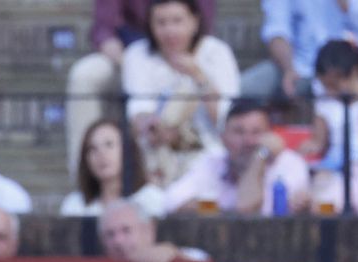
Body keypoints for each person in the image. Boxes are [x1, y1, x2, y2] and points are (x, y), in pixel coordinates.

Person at [65, 0, 218, 178]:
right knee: (85, 75)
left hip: (185, 52)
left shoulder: (212, 49)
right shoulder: (136, 57)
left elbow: (202, 22)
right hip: (128, 53)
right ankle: (84, 177)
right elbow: (103, 29)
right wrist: (132, 63)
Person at [122, 0, 239, 188]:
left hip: (208, 154)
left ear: (195, 21)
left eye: (177, 21)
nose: (170, 31)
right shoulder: (137, 54)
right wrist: (151, 127)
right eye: (161, 23)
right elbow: (137, 111)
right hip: (157, 155)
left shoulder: (217, 52)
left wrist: (198, 76)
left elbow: (226, 120)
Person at [163, 99, 310, 215]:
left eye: (257, 132)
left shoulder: (289, 164)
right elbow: (171, 201)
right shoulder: (211, 162)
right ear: (223, 138)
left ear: (270, 136)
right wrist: (216, 208)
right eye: (239, 132)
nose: (248, 141)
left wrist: (260, 156)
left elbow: (247, 208)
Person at [242, 0, 358, 102]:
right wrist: (289, 69)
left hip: (355, 69)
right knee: (241, 89)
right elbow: (276, 31)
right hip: (301, 68)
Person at [303, 39, 358, 174]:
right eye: (326, 86)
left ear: (355, 73)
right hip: (334, 164)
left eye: (335, 86)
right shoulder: (325, 100)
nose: (330, 92)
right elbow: (318, 142)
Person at [60, 118, 165, 217]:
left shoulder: (152, 201)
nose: (101, 154)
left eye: (109, 145)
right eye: (92, 148)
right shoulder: (74, 206)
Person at [98, 198, 209, 262]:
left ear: (148, 231)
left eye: (126, 230)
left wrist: (174, 255)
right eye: (110, 234)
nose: (118, 241)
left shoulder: (186, 254)